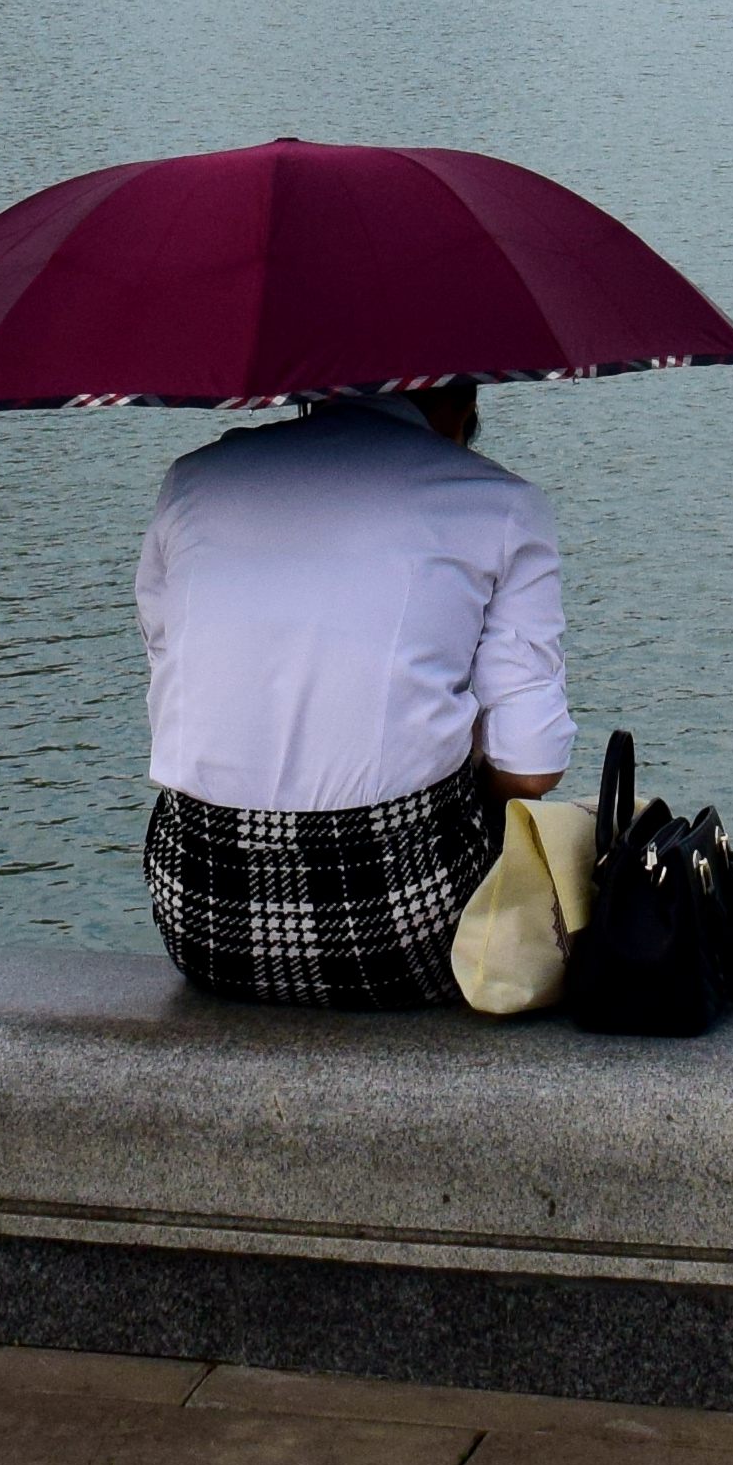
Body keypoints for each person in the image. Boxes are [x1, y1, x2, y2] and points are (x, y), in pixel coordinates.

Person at [135, 379, 570, 1008]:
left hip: (203, 920)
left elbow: (170, 664)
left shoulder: (193, 482)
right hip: (406, 933)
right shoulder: (499, 502)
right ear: (461, 396)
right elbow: (531, 771)